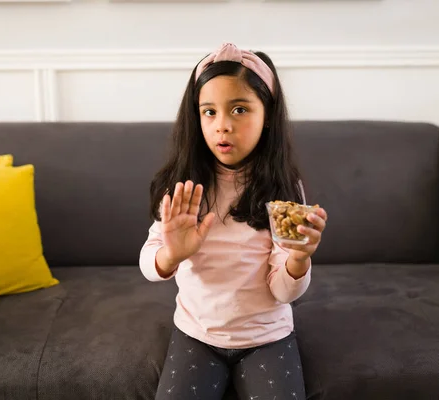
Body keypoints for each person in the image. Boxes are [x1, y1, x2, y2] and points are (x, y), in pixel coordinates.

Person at [139, 42, 328, 400]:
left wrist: (299, 260)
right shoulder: (181, 185)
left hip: (267, 337)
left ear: (267, 114)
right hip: (197, 333)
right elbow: (149, 262)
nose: (222, 126)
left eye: (239, 109)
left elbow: (282, 291)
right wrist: (171, 255)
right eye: (209, 112)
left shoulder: (284, 188)